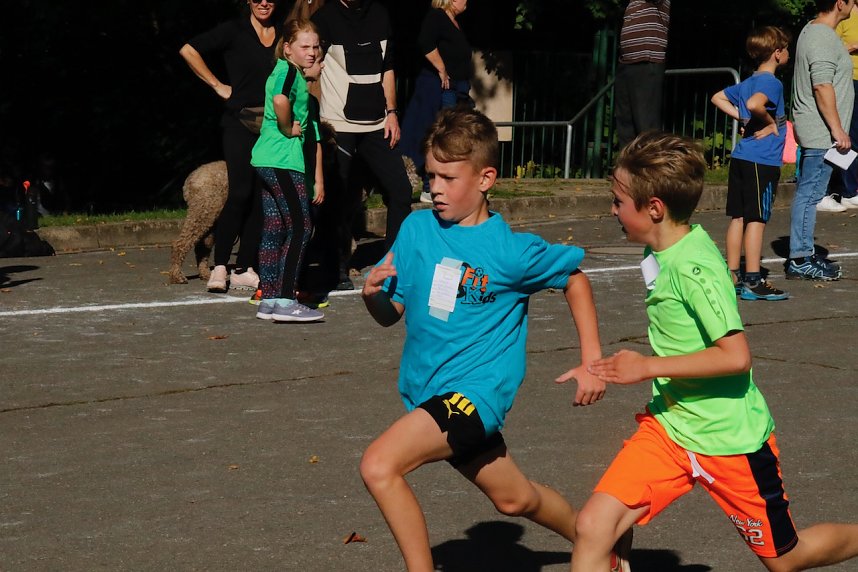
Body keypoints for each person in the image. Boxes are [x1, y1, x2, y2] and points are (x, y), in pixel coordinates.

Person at [570, 131, 858, 572]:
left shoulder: (695, 268)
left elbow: (736, 356)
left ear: (654, 209)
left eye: (617, 201)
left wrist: (647, 366)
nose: (611, 210)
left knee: (786, 559)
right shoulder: (661, 247)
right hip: (670, 428)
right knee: (594, 527)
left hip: (732, 442)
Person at [359, 107, 630, 572]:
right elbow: (391, 312)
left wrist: (591, 361)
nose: (435, 188)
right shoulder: (416, 229)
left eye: (448, 177)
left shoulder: (510, 251)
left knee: (379, 465)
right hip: (425, 391)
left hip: (474, 396)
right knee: (515, 500)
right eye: (430, 176)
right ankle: (600, 540)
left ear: (486, 178)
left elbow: (575, 279)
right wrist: (372, 297)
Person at [179, 0, 281, 293]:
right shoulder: (234, 30)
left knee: (264, 197)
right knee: (240, 192)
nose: (264, 3)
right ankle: (220, 266)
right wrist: (217, 85)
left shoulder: (284, 33)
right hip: (239, 122)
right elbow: (188, 50)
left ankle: (244, 268)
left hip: (273, 125)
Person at [311, 0, 414, 291]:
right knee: (336, 198)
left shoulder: (381, 14)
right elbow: (311, 65)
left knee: (401, 191)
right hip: (338, 122)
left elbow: (388, 67)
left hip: (377, 124)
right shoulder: (325, 18)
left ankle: (393, 264)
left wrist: (392, 113)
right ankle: (336, 266)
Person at [251, 19, 325, 323]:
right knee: (301, 226)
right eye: (304, 47)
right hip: (281, 159)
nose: (311, 52)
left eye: (315, 47)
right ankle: (283, 299)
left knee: (275, 228)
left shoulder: (286, 72)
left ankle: (268, 299)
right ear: (288, 49)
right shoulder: (288, 72)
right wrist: (286, 127)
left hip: (267, 159)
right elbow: (281, 99)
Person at [710, 26, 791, 301]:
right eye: (786, 48)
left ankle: (732, 275)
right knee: (757, 218)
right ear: (777, 53)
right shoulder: (771, 82)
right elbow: (757, 104)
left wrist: (742, 119)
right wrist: (767, 122)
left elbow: (717, 97)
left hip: (742, 157)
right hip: (762, 160)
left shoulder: (748, 81)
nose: (788, 53)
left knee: (739, 217)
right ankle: (754, 280)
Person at [787, 0, 853, 281]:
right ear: (840, 3)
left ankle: (804, 252)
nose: (855, 6)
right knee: (810, 194)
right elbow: (821, 85)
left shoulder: (812, 31)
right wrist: (838, 130)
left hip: (819, 130)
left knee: (811, 193)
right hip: (821, 132)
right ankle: (799, 259)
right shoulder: (822, 35)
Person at [400, 0, 474, 204]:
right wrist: (441, 69)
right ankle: (429, 186)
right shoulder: (437, 17)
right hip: (444, 90)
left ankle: (450, 184)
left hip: (459, 89)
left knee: (456, 138)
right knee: (441, 136)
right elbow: (425, 43)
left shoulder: (454, 22)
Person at [614, 0, 671, 151]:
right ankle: (627, 169)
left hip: (647, 60)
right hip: (626, 62)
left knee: (646, 126)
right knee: (625, 123)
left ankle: (649, 170)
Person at [830, 1, 858, 211]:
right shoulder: (845, 14)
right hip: (850, 80)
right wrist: (854, 46)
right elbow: (830, 49)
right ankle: (849, 190)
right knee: (851, 134)